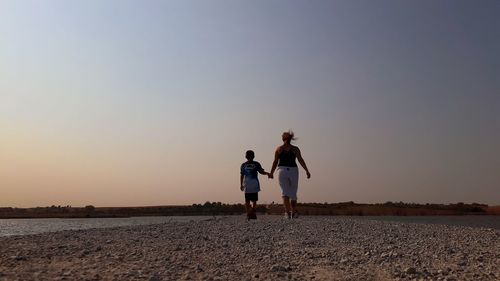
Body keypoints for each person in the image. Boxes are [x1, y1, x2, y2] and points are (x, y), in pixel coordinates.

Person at [269, 130, 310, 219]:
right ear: (291, 139)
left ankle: (287, 213)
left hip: (282, 170)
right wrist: (306, 170)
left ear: (282, 139)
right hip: (293, 170)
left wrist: (271, 172)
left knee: (285, 192)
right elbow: (300, 160)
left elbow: (275, 162)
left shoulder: (279, 149)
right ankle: (293, 212)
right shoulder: (295, 149)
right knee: (293, 192)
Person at [240, 150, 270, 220]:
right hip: (254, 184)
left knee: (247, 201)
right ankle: (253, 211)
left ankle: (248, 214)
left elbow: (241, 175)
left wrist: (241, 184)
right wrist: (267, 173)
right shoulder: (256, 164)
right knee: (254, 200)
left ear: (246, 156)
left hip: (247, 185)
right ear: (254, 156)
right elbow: (261, 172)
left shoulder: (243, 165)